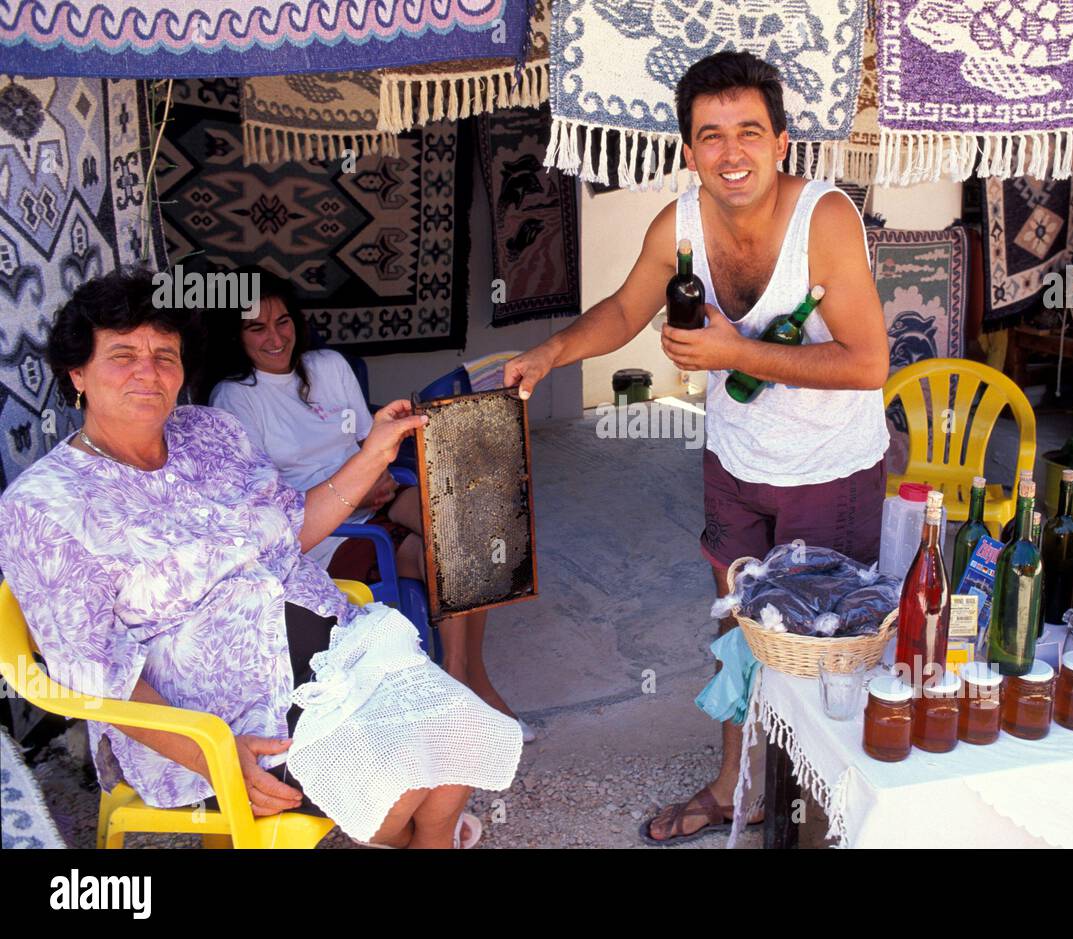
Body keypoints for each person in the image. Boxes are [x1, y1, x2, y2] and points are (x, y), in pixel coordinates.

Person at [505, 51, 890, 844]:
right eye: (710, 136)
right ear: (688, 151)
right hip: (737, 467)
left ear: (783, 143)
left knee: (823, 644)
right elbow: (619, 311)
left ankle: (823, 810)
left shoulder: (824, 219)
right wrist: (551, 356)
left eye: (750, 131)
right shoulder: (677, 224)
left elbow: (866, 363)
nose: (731, 152)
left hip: (831, 473)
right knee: (735, 630)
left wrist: (734, 353)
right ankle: (735, 787)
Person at [0, 269, 522, 848]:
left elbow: (291, 529)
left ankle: (430, 836)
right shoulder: (44, 508)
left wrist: (375, 453)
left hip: (337, 654)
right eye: (123, 355)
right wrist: (212, 752)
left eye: (165, 355)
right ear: (78, 373)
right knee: (399, 791)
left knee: (454, 741)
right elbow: (92, 672)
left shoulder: (211, 432)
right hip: (222, 716)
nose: (148, 372)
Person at [202, 273, 534, 742]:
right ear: (235, 336)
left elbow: (367, 443)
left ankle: (465, 680)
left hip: (374, 498)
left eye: (282, 322)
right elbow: (265, 507)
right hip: (323, 530)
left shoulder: (329, 366)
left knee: (470, 537)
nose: (275, 338)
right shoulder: (235, 398)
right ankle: (469, 689)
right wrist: (355, 490)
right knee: (444, 558)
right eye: (257, 328)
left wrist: (376, 477)